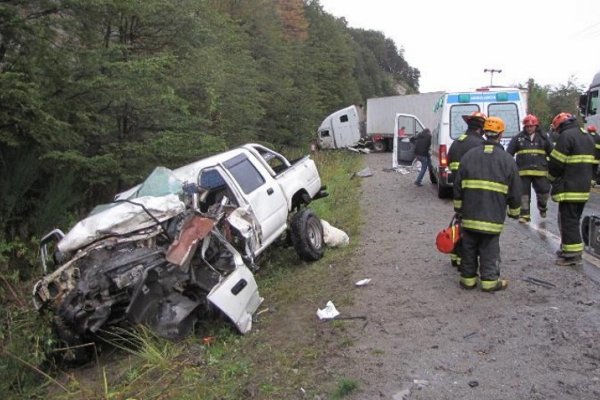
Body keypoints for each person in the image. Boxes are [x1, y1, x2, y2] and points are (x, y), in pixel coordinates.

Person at [453, 116, 521, 292]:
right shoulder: (507, 160)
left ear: (484, 132)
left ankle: (467, 281)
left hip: (469, 216)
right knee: (489, 249)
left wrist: (458, 209)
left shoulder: (469, 156)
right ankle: (490, 282)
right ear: (500, 134)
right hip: (492, 218)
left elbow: (458, 186)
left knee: (468, 247)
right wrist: (514, 212)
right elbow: (515, 191)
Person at [548, 112, 597, 266]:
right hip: (583, 187)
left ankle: (572, 254)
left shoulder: (566, 136)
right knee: (574, 219)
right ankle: (567, 249)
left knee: (568, 221)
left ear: (560, 126)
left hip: (569, 186)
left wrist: (550, 178)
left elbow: (556, 163)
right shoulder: (588, 136)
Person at [446, 111, 487, 267]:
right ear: (481, 128)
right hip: (476, 193)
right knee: (473, 230)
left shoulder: (458, 141)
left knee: (459, 224)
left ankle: (456, 256)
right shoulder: (480, 144)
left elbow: (450, 164)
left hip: (459, 191)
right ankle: (467, 260)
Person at [506, 114, 553, 223]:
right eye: (527, 126)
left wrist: (552, 168)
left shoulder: (544, 138)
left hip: (540, 171)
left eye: (531, 126)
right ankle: (525, 215)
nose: (529, 128)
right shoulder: (518, 138)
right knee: (523, 194)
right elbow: (509, 154)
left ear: (536, 126)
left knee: (543, 192)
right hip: (523, 172)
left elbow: (552, 153)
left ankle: (542, 207)